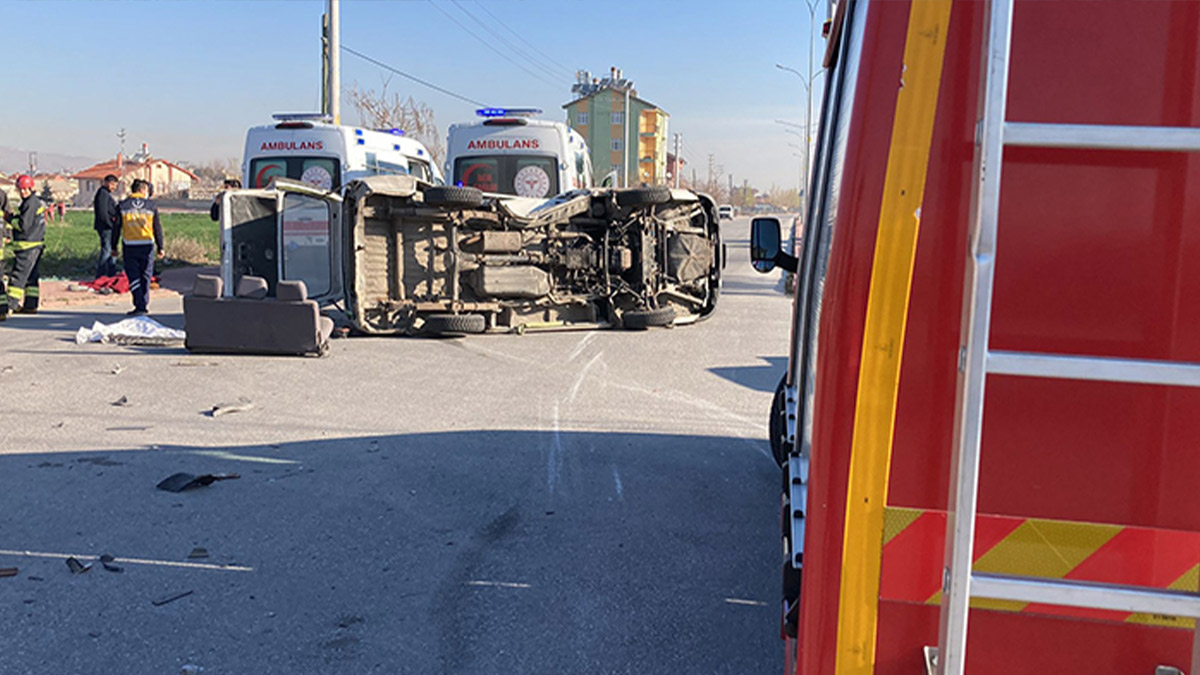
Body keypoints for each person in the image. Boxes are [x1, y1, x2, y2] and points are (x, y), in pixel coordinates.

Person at [116, 179, 164, 316]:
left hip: (130, 245)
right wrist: (161, 246)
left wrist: (114, 246)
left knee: (134, 276)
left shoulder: (123, 205)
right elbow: (157, 227)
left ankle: (140, 304)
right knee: (146, 275)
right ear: (143, 190)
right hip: (147, 245)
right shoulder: (151, 205)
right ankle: (143, 303)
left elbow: (116, 228)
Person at [5, 175, 47, 315]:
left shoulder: (30, 203)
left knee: (18, 276)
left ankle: (9, 305)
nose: (23, 192)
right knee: (31, 277)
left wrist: (10, 219)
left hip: (27, 247)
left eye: (25, 189)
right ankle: (30, 305)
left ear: (31, 188)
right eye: (20, 190)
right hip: (35, 245)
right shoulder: (34, 202)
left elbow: (23, 225)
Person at [93, 174, 120, 278]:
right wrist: (110, 224)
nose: (114, 187)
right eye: (112, 184)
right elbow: (103, 213)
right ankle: (101, 275)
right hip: (106, 227)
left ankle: (111, 273)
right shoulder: (102, 194)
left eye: (115, 185)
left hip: (109, 227)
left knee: (111, 250)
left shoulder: (106, 194)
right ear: (106, 183)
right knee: (107, 250)